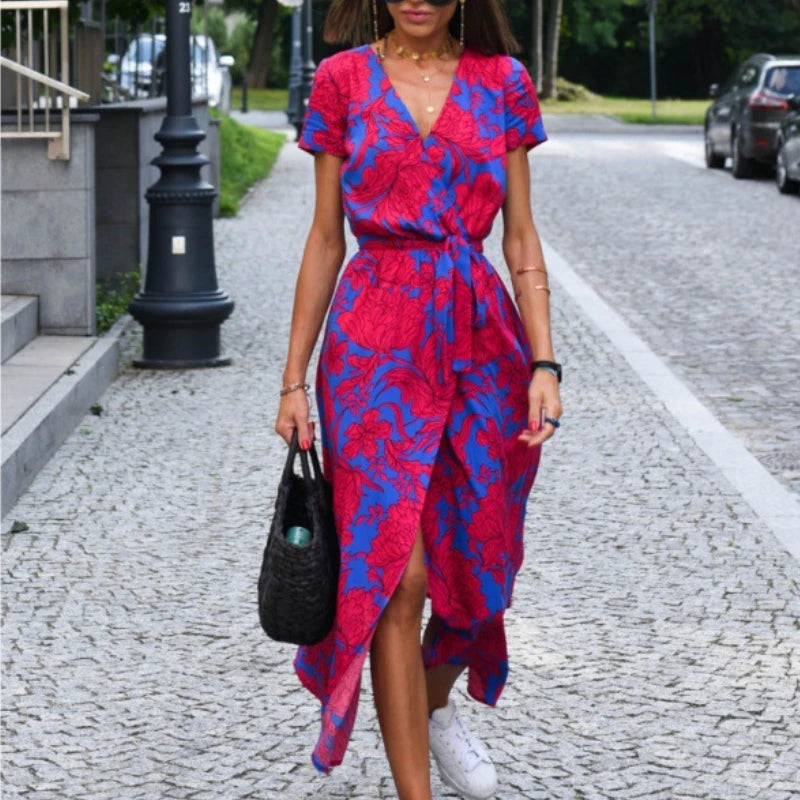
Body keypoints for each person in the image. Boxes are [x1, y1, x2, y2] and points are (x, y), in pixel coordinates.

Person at [274, 1, 562, 797]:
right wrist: (294, 378)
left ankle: (432, 707)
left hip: (481, 339)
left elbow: (521, 235)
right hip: (372, 342)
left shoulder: (501, 81)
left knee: (478, 559)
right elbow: (326, 236)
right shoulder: (340, 80)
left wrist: (546, 361)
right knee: (394, 572)